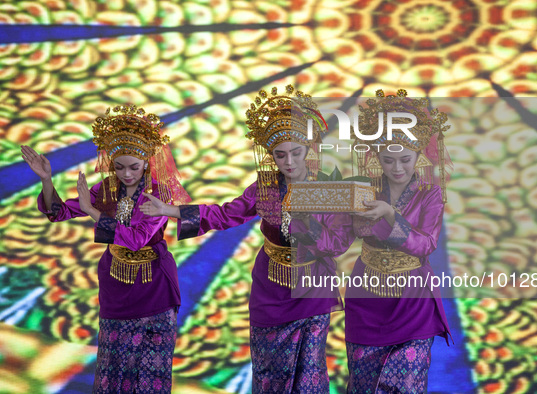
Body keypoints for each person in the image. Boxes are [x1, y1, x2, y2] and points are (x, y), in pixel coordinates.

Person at [140, 85, 351, 393]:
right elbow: (225, 215)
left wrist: (309, 227)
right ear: (271, 156)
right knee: (270, 367)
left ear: (309, 150)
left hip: (312, 285)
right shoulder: (264, 187)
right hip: (271, 283)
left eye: (296, 152)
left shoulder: (326, 188)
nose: (289, 162)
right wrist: (168, 209)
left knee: (308, 372)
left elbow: (339, 243)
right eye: (280, 155)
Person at [21, 104, 190, 393]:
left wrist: (91, 210)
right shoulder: (106, 189)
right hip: (116, 283)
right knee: (114, 363)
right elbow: (58, 212)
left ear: (147, 162)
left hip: (154, 285)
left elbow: (136, 239)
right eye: (119, 166)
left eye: (133, 167)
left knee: (150, 367)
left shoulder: (159, 193)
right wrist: (46, 180)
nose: (126, 174)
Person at [344, 89, 453, 393]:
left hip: (412, 298)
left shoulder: (430, 194)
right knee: (364, 383)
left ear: (419, 155)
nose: (397, 168)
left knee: (406, 383)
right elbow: (345, 236)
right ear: (376, 157)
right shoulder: (364, 188)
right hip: (365, 292)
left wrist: (391, 216)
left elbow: (425, 245)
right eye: (388, 160)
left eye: (405, 159)